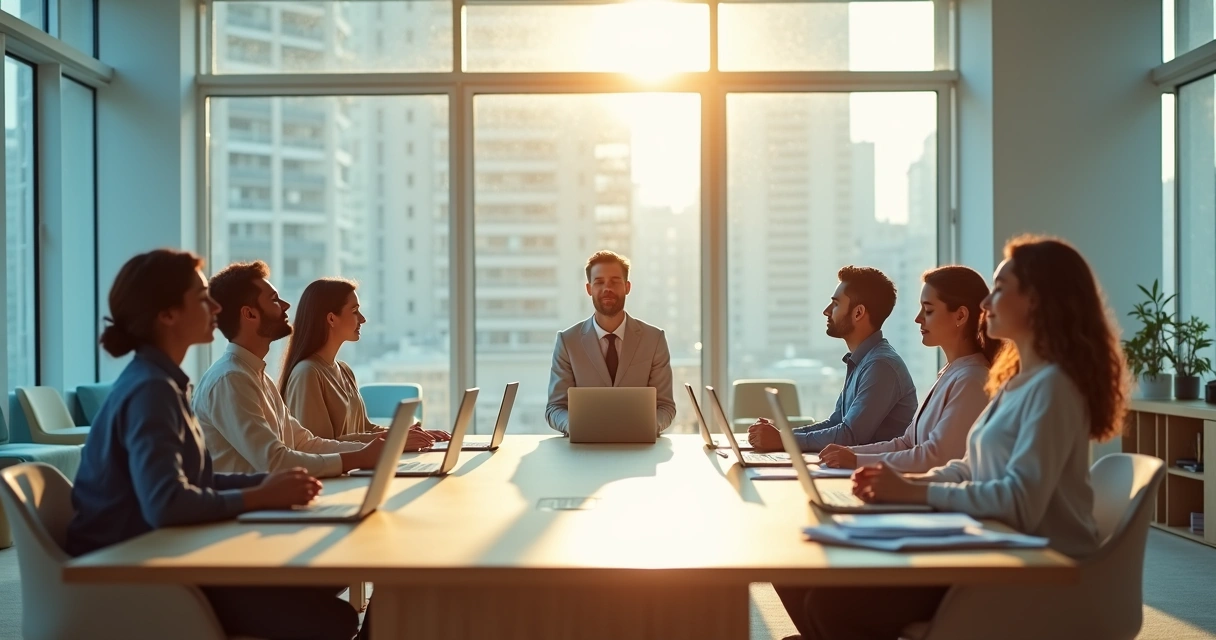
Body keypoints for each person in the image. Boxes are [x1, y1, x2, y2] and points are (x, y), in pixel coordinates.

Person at [782, 236, 1128, 640]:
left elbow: (1019, 500)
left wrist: (916, 493)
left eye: (999, 290)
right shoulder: (1017, 382)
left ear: (1035, 302)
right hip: (995, 548)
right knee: (817, 589)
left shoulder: (1052, 389)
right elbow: (968, 466)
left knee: (830, 603)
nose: (985, 303)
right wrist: (908, 485)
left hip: (1027, 571)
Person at [65, 249, 363, 640]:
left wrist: (265, 488)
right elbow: (167, 503)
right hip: (141, 574)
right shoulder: (151, 390)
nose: (215, 306)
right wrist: (259, 494)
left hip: (162, 554)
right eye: (202, 297)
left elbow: (199, 480)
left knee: (327, 590)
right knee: (334, 618)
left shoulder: (161, 382)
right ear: (167, 314)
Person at [193, 261, 408, 478]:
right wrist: (358, 457)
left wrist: (375, 449)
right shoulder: (230, 379)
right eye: (275, 300)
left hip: (273, 505)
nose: (286, 305)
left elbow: (304, 443)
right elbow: (275, 461)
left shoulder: (257, 376)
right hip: (254, 510)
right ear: (249, 314)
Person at [817, 266, 999, 472]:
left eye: (928, 310)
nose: (918, 318)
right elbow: (905, 443)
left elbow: (935, 458)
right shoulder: (951, 372)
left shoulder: (972, 379)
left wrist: (856, 461)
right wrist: (849, 453)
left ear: (960, 316)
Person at [749, 266, 917, 453]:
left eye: (835, 304)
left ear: (858, 313)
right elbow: (836, 423)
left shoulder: (881, 366)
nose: (826, 311)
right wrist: (780, 436)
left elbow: (849, 436)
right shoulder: (863, 361)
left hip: (873, 476)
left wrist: (783, 440)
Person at [279, 277, 450, 444]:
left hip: (356, 471)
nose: (362, 319)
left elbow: (364, 430)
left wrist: (411, 434)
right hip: (336, 473)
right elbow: (319, 444)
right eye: (354, 311)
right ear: (331, 318)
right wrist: (395, 440)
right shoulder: (307, 373)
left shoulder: (344, 370)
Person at [545, 250, 676, 435]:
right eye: (599, 282)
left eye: (615, 282)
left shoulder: (654, 339)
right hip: (584, 452)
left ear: (627, 287)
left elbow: (665, 407)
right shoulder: (568, 341)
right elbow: (555, 408)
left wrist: (644, 429)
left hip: (639, 450)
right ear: (589, 288)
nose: (607, 288)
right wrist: (577, 427)